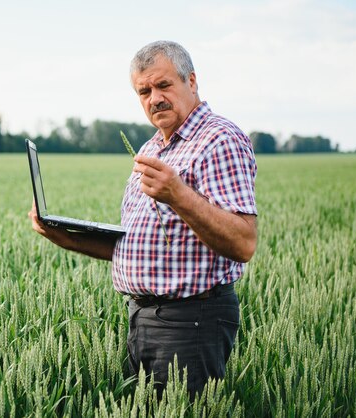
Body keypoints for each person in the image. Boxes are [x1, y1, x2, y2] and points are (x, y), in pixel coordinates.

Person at [28, 40, 257, 398]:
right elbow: (136, 245)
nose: (155, 98)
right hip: (143, 318)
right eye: (144, 91)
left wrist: (178, 194)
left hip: (190, 321)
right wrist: (65, 236)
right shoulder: (152, 148)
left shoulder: (219, 139)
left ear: (192, 81)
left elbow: (243, 243)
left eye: (164, 85)